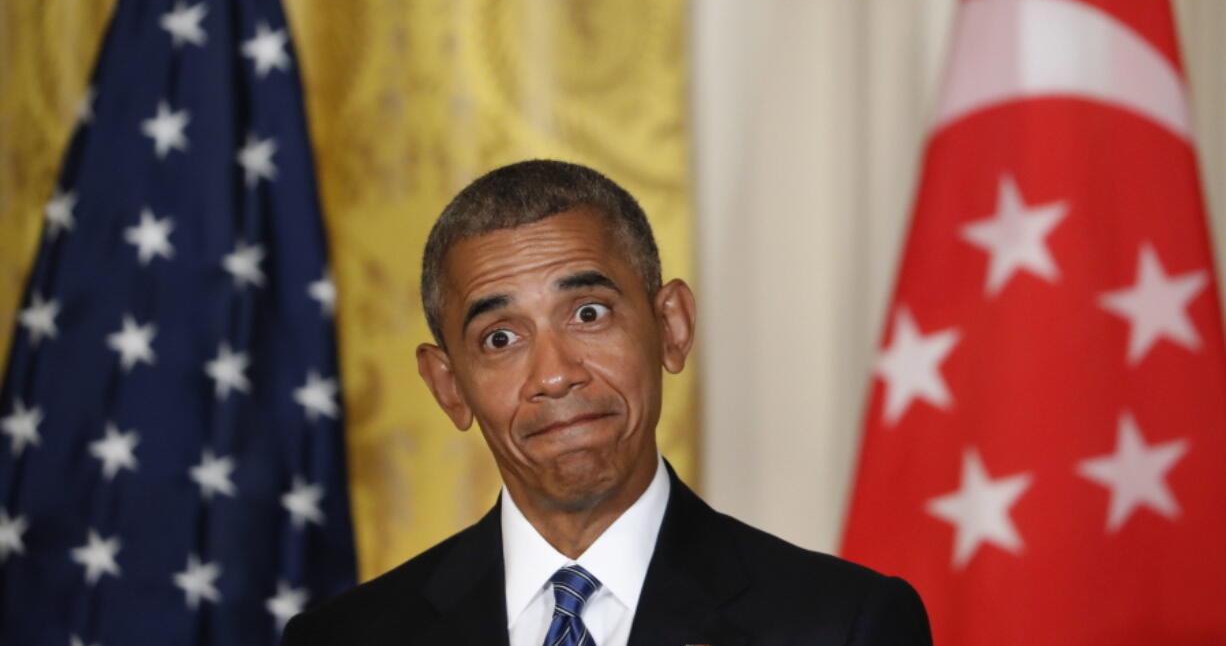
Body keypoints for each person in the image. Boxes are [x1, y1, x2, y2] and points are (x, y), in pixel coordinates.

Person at [281, 159, 932, 646]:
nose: (556, 374)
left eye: (588, 313)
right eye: (500, 337)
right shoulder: (344, 638)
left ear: (671, 327)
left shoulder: (840, 625)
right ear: (449, 387)